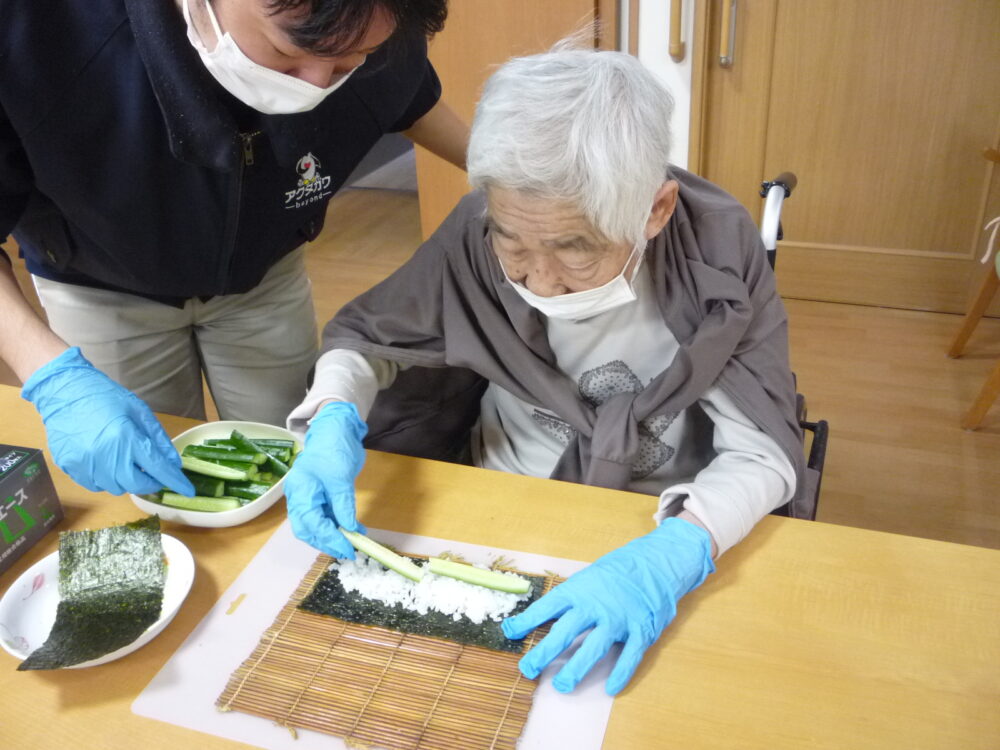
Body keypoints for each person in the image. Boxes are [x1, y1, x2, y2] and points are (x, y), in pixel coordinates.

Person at [283, 42, 812, 696]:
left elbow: (762, 451)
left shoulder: (718, 255)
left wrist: (677, 553)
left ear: (656, 210)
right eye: (513, 245)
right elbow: (372, 340)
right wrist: (334, 409)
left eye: (576, 250)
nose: (541, 280)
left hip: (659, 517)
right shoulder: (477, 229)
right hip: (499, 499)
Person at [0, 0, 467, 498]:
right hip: (97, 282)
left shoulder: (376, 21)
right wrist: (53, 378)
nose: (316, 83)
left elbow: (408, 98)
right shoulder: (32, 26)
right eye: (290, 54)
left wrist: (510, 175)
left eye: (355, 58)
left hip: (266, 271)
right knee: (147, 478)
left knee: (289, 463)